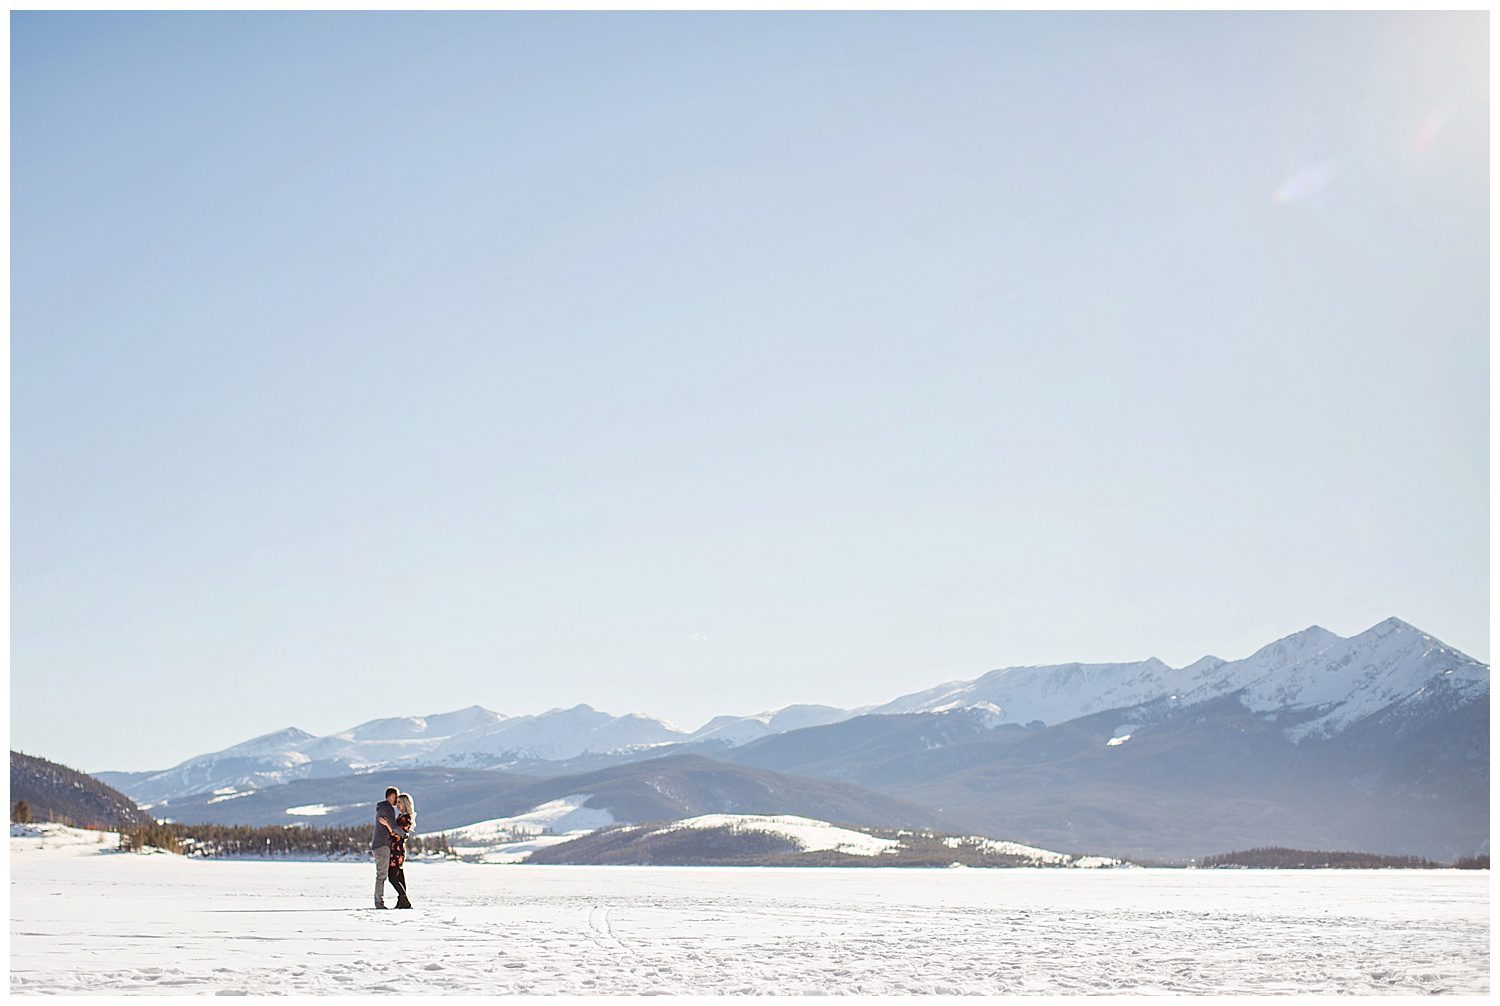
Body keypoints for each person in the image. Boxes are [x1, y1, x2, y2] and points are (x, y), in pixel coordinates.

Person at [372, 786, 402, 909]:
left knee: (381, 875)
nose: (397, 801)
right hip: (382, 846)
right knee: (381, 876)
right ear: (390, 797)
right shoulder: (387, 808)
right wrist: (404, 834)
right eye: (396, 798)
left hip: (378, 845)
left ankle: (379, 902)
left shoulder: (382, 808)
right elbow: (394, 827)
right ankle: (379, 903)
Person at [387, 792, 416, 909]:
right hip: (395, 849)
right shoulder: (400, 817)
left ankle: (404, 899)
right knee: (399, 876)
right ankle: (402, 901)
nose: (397, 805)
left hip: (397, 851)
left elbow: (399, 833)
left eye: (399, 802)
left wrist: (387, 825)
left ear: (405, 804)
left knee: (392, 877)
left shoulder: (406, 818)